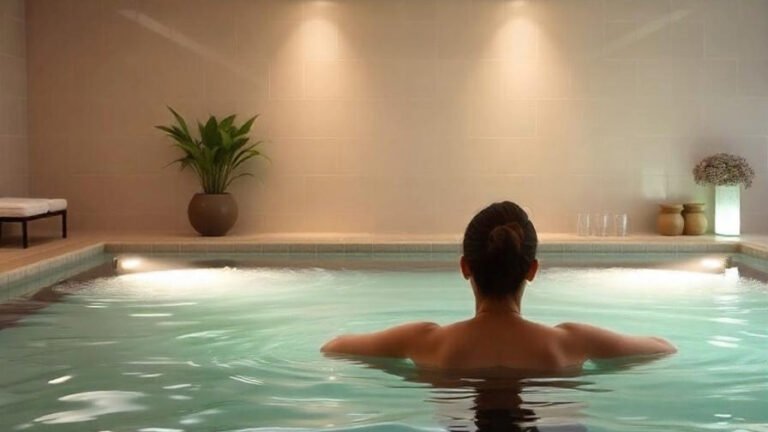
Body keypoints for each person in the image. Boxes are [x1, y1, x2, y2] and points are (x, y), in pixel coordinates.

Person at [321, 201, 676, 371]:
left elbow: (334, 346)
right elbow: (663, 346)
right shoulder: (570, 343)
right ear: (532, 270)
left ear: (465, 267)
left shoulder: (425, 341)